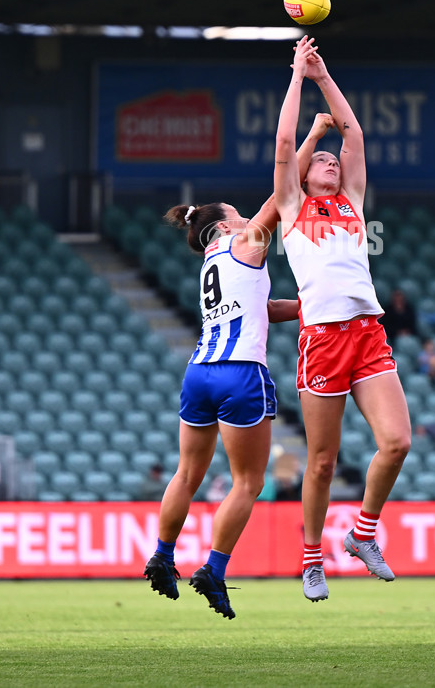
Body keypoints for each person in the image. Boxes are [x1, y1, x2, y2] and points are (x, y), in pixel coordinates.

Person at [143, 61, 335, 619]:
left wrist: (306, 309)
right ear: (224, 225)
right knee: (248, 481)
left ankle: (161, 554)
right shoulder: (244, 243)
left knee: (187, 473)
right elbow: (284, 191)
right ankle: (214, 569)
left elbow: (259, 307)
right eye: (235, 213)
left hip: (199, 372)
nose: (242, 214)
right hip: (240, 375)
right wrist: (316, 133)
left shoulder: (211, 262)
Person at [274, 34, 411, 603]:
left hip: (367, 333)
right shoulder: (290, 207)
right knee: (323, 462)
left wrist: (325, 75)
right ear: (306, 177)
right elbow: (285, 141)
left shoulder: (352, 202)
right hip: (323, 340)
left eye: (334, 161)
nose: (331, 159)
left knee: (397, 442)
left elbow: (353, 133)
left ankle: (362, 534)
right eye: (321, 161)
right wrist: (297, 79)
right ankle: (311, 560)